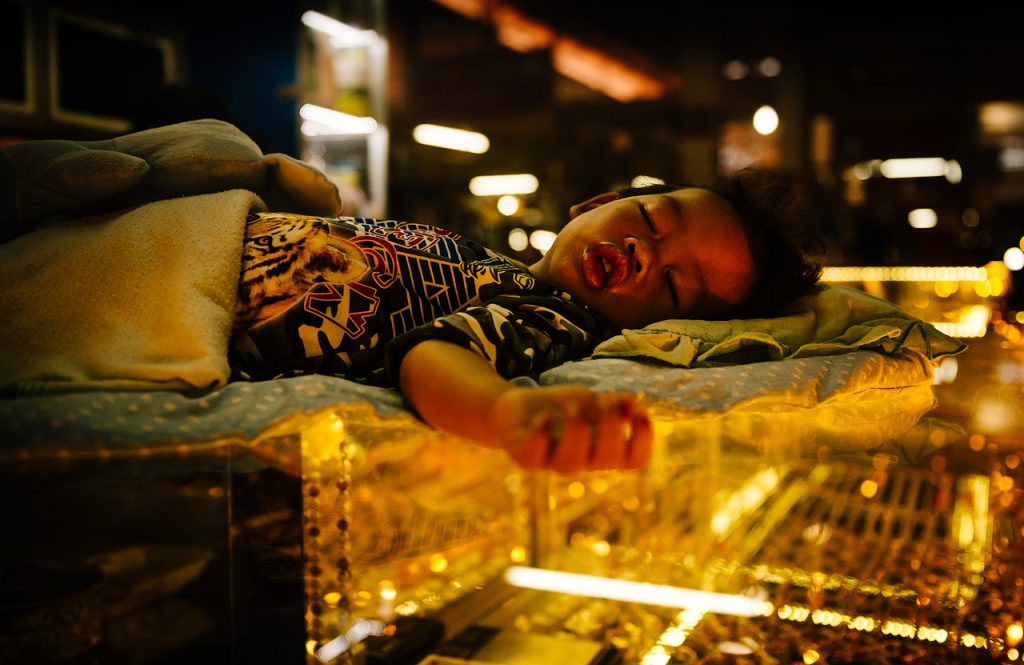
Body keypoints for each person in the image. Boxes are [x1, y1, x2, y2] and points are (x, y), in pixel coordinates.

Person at [229, 169, 824, 475]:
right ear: (595, 205)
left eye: (674, 284)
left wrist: (502, 411)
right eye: (648, 216)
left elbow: (433, 352)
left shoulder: (555, 321)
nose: (645, 250)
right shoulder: (497, 266)